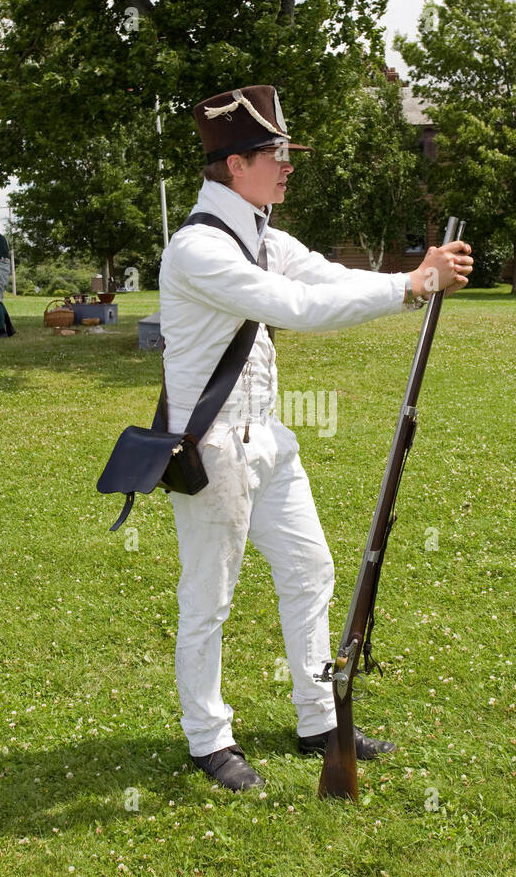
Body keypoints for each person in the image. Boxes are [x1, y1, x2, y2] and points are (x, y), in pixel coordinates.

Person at [158, 85, 472, 791]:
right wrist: (412, 286)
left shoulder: (262, 234)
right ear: (235, 164)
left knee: (311, 569)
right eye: (275, 153)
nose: (287, 165)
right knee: (208, 596)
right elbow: (293, 307)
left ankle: (317, 720)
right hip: (211, 448)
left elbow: (327, 277)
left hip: (266, 438)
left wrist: (410, 277)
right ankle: (208, 739)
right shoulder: (199, 247)